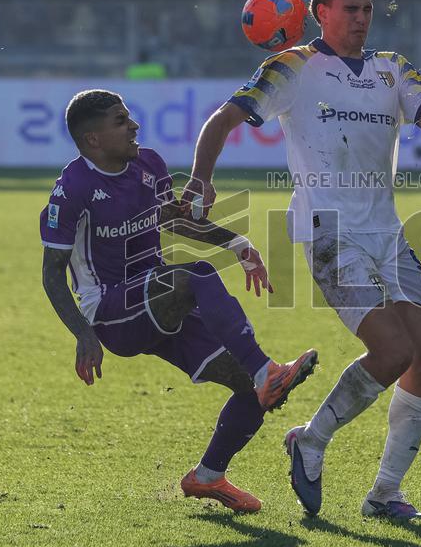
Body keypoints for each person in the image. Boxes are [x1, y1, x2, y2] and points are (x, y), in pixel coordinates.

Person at [184, 0, 421, 520]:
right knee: (394, 352)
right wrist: (201, 177)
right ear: (321, 13)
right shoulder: (293, 67)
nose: (361, 19)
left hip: (386, 233)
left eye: (366, 9)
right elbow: (223, 119)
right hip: (328, 233)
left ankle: (385, 495)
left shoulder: (392, 69)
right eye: (349, 9)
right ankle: (310, 441)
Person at [40, 89, 318, 513]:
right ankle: (268, 370)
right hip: (111, 311)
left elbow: (169, 217)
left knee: (252, 392)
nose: (134, 126)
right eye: (121, 121)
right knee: (197, 276)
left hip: (158, 299)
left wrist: (237, 243)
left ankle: (207, 476)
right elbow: (51, 273)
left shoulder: (147, 164)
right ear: (93, 140)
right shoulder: (72, 189)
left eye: (130, 117)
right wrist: (82, 332)